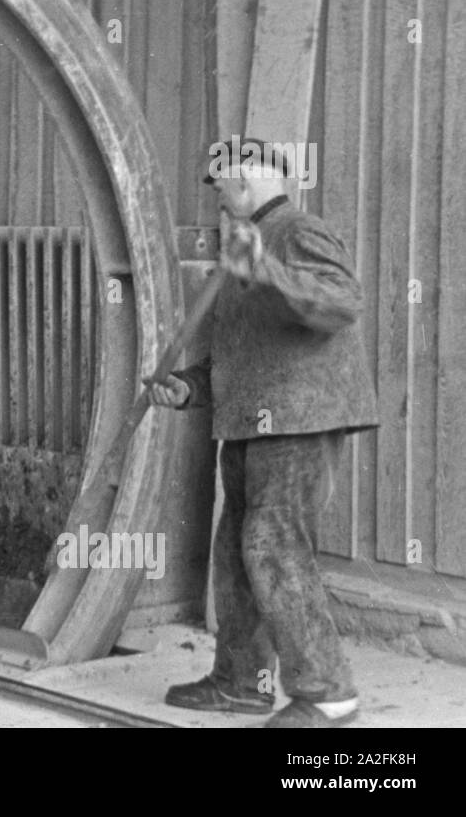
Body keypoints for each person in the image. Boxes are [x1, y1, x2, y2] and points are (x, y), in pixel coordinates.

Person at [146, 137, 378, 728]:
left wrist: (266, 270)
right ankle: (241, 684)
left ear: (245, 180)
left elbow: (341, 303)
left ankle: (327, 692)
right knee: (235, 553)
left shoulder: (297, 231)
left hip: (299, 419)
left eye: (221, 189)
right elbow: (247, 351)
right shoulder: (246, 248)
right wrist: (191, 387)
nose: (219, 203)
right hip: (253, 422)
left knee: (271, 544)